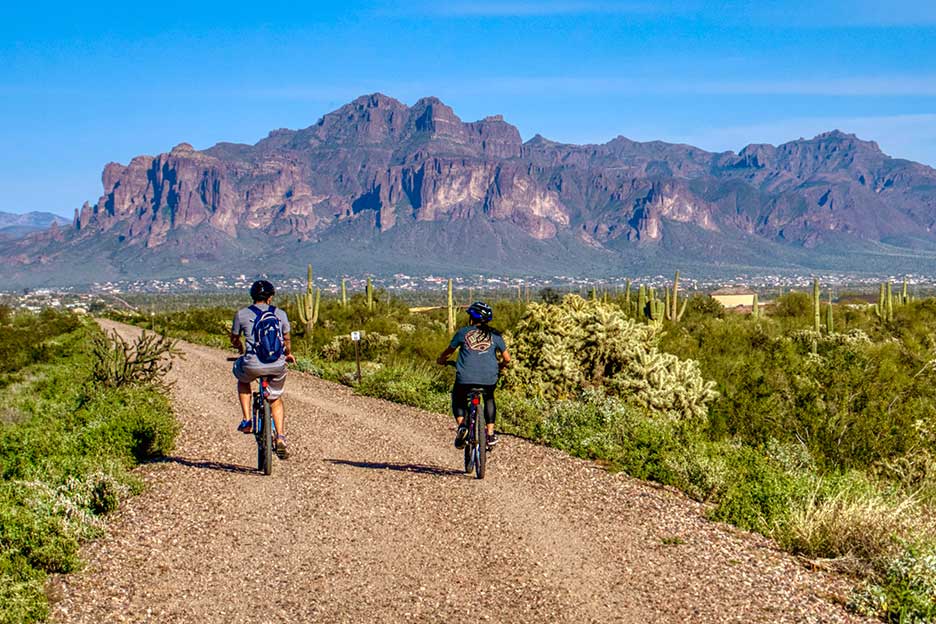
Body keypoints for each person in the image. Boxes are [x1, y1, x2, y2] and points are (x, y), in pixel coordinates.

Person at [230, 280, 296, 458]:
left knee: (242, 379)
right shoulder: (280, 314)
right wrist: (287, 353)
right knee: (275, 398)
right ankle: (280, 437)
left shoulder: (241, 314)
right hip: (276, 364)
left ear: (252, 296)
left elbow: (234, 339)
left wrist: (240, 350)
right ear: (270, 297)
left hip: (251, 364)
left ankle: (247, 420)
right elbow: (287, 341)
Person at [436, 301, 510, 449]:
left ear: (472, 318)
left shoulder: (463, 333)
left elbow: (449, 351)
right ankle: (489, 434)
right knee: (489, 398)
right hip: (489, 377)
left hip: (465, 377)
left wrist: (441, 360)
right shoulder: (495, 335)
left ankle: (462, 425)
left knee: (458, 396)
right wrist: (500, 366)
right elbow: (507, 358)